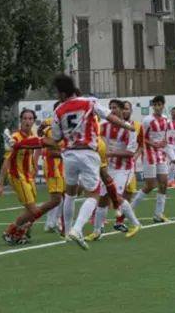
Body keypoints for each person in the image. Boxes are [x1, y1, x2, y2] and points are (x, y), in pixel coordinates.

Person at [50, 75, 135, 250]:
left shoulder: (58, 111)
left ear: (64, 93)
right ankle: (76, 229)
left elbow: (57, 138)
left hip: (69, 155)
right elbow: (109, 116)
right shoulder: (89, 103)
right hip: (88, 153)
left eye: (58, 93)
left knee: (70, 194)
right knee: (93, 195)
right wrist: (126, 125)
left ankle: (66, 233)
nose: (58, 96)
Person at [0, 109, 62, 245]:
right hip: (17, 177)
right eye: (25, 118)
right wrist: (0, 184)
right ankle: (11, 231)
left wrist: (35, 164)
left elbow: (39, 145)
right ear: (21, 120)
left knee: (29, 211)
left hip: (28, 177)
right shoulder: (15, 138)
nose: (27, 121)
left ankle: (18, 233)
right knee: (34, 210)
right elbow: (6, 161)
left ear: (33, 121)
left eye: (30, 118)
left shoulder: (32, 135)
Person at [86, 100, 142, 242]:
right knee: (103, 199)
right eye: (110, 108)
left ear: (123, 110)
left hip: (124, 169)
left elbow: (130, 152)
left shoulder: (130, 129)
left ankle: (136, 224)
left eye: (115, 108)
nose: (112, 110)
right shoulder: (103, 126)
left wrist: (110, 153)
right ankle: (97, 232)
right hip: (109, 168)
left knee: (115, 195)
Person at [135, 95, 171, 223]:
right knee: (150, 185)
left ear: (163, 106)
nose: (157, 107)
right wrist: (154, 144)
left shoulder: (166, 119)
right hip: (149, 154)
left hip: (160, 154)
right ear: (152, 106)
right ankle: (128, 210)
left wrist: (164, 143)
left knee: (164, 183)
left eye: (159, 105)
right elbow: (142, 138)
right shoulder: (147, 120)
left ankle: (158, 214)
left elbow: (164, 136)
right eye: (155, 105)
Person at [115, 100, 144, 231]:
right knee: (111, 193)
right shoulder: (114, 125)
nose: (125, 111)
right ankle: (98, 220)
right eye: (124, 108)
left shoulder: (137, 126)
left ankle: (119, 220)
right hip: (114, 165)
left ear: (131, 111)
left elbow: (141, 144)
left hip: (129, 164)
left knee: (129, 192)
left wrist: (136, 156)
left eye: (128, 109)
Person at [36, 103, 65, 234]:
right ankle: (37, 218)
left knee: (62, 196)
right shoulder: (51, 125)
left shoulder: (65, 124)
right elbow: (44, 136)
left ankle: (52, 221)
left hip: (63, 164)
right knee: (57, 197)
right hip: (53, 165)